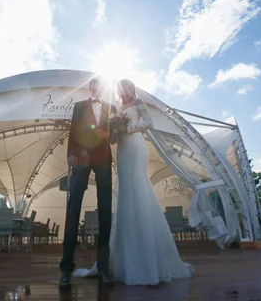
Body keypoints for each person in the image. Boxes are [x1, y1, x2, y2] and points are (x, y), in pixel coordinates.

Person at [73, 79, 194, 286]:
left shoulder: (138, 104)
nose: (123, 90)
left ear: (131, 88)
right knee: (126, 196)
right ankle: (125, 257)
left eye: (126, 86)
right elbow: (112, 137)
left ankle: (147, 260)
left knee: (139, 190)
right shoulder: (116, 108)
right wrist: (111, 133)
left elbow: (149, 123)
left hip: (137, 148)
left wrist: (128, 127)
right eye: (120, 87)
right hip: (122, 152)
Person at [60, 77, 117, 289]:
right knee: (73, 208)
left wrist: (109, 132)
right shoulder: (79, 106)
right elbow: (73, 130)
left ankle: (104, 268)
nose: (99, 87)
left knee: (105, 212)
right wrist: (70, 153)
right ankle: (66, 269)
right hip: (81, 158)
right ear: (89, 87)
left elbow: (116, 136)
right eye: (95, 84)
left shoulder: (111, 108)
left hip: (103, 159)